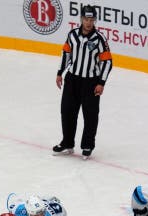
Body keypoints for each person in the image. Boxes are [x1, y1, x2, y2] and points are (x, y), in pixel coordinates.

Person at [53, 4, 113, 159]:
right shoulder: (72, 35)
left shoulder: (100, 39)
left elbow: (107, 62)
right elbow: (66, 54)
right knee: (67, 111)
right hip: (72, 80)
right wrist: (60, 73)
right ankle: (67, 143)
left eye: (92, 19)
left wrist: (101, 82)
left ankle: (87, 145)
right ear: (81, 19)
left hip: (91, 83)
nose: (88, 22)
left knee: (90, 115)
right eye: (86, 19)